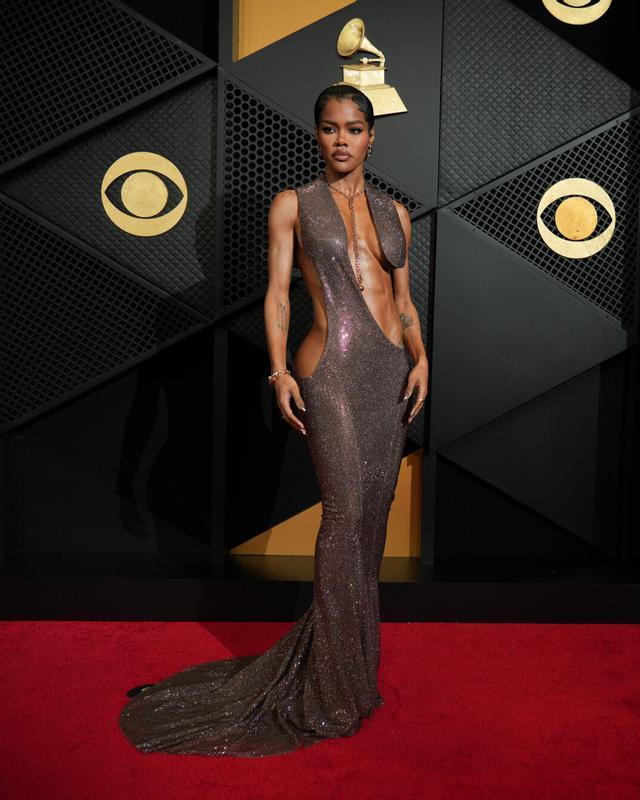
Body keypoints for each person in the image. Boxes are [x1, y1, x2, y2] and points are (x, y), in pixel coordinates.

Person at [117, 84, 429, 757]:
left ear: (372, 136)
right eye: (328, 128)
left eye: (353, 128)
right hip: (330, 374)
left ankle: (348, 674)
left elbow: (403, 301)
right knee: (344, 513)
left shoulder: (396, 212)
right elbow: (278, 296)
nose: (341, 140)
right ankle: (327, 693)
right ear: (317, 136)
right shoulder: (294, 204)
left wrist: (422, 358)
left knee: (371, 522)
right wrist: (281, 370)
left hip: (388, 378)